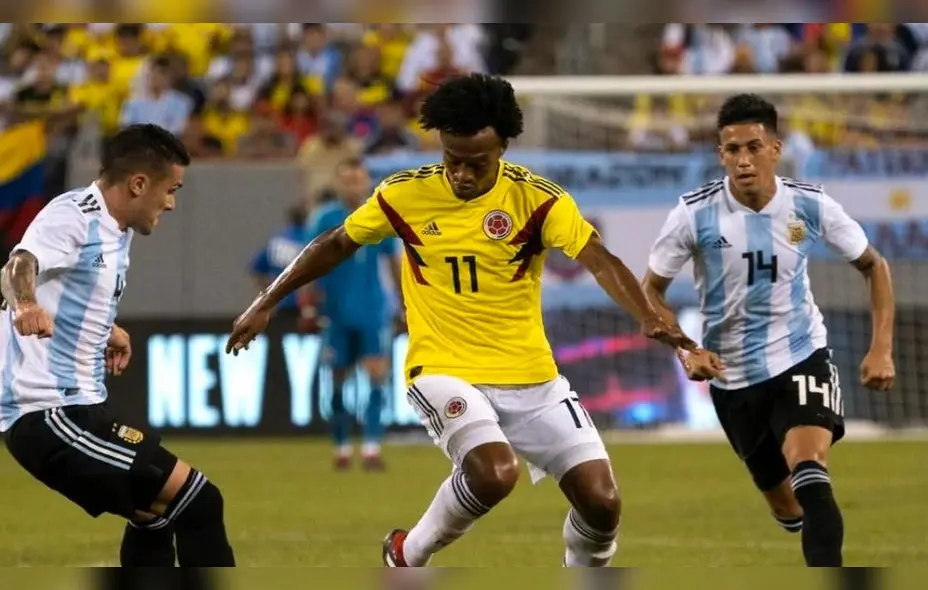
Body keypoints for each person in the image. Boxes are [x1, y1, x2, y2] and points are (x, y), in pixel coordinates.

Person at [226, 74, 697, 567]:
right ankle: (406, 554)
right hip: (442, 367)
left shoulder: (539, 201)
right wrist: (267, 299)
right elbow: (337, 243)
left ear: (503, 147)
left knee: (602, 503)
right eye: (453, 161)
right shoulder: (404, 194)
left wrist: (646, 314)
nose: (463, 175)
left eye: (477, 163)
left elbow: (598, 258)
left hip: (531, 376)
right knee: (495, 473)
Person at [642, 93, 895, 567]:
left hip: (800, 353)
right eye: (732, 150)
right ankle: (796, 520)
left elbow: (874, 265)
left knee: (811, 470)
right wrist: (685, 348)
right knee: (789, 508)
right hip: (731, 376)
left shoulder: (810, 205)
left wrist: (881, 347)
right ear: (720, 155)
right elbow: (648, 293)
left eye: (754, 147)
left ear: (775, 149)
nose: (743, 160)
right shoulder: (693, 214)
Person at [0, 124, 235, 567]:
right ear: (138, 183)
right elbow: (20, 264)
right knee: (201, 501)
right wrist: (25, 303)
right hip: (50, 416)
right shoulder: (74, 215)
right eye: (170, 189)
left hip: (78, 410)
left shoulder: (113, 227)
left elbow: (69, 286)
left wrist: (107, 328)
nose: (171, 203)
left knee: (154, 516)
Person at [304, 157, 401, 472]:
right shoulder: (325, 218)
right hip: (336, 313)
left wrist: (404, 306)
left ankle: (371, 449)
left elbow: (394, 264)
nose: (353, 185)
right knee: (336, 382)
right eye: (347, 179)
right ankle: (342, 448)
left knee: (377, 376)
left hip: (373, 311)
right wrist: (308, 304)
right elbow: (309, 262)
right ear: (338, 183)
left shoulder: (380, 217)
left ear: (366, 180)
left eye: (357, 179)